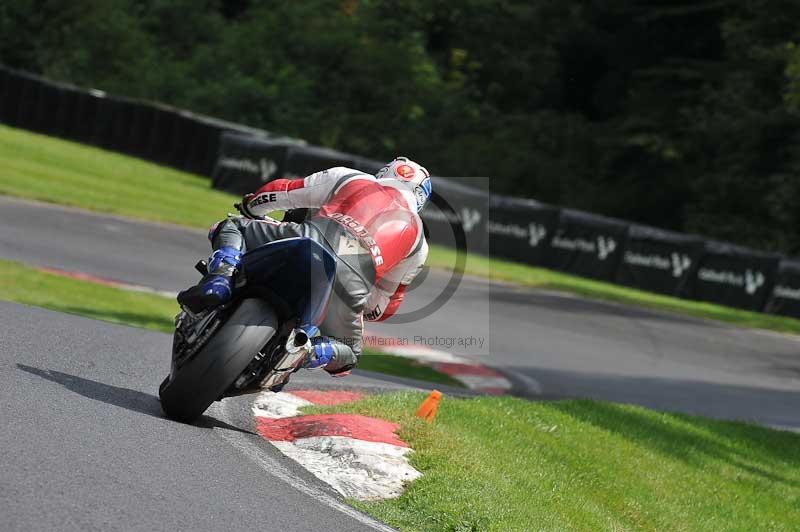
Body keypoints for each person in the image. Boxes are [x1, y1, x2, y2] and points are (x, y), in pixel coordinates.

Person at [177, 157, 431, 375]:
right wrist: (361, 306)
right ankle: (309, 352)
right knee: (350, 354)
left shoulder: (350, 178)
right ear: (421, 198)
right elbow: (384, 306)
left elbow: (282, 191)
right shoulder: (419, 243)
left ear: (383, 172)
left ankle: (221, 277)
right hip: (351, 283)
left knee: (232, 226)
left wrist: (250, 207)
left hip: (309, 239)